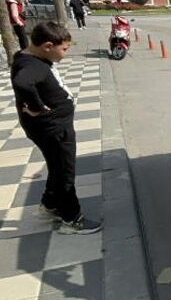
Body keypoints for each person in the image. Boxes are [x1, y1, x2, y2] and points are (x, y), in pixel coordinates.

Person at [11, 21, 102, 234]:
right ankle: (71, 218)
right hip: (52, 129)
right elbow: (22, 83)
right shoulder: (31, 66)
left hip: (50, 127)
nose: (65, 54)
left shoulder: (28, 56)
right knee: (64, 173)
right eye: (64, 49)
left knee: (56, 167)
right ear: (48, 46)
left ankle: (50, 204)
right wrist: (38, 108)